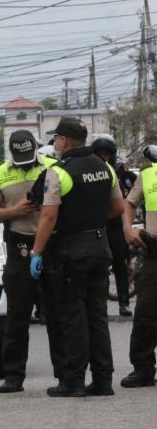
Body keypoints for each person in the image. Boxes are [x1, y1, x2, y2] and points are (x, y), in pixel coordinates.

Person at [29, 117, 128, 397]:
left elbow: (48, 216)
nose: (55, 143)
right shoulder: (105, 166)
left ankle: (72, 380)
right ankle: (102, 380)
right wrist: (93, 220)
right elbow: (118, 207)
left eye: (57, 138)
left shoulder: (59, 172)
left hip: (71, 250)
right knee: (97, 316)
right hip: (100, 246)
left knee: (73, 316)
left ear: (63, 140)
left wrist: (37, 251)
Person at [0, 131, 55, 394]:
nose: (25, 162)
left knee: (58, 313)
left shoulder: (52, 167)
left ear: (36, 148)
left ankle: (66, 372)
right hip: (19, 249)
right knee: (16, 316)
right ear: (11, 152)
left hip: (51, 247)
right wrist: (15, 211)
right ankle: (13, 375)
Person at [119, 145, 157, 388]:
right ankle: (143, 369)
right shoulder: (148, 175)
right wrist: (127, 228)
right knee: (146, 313)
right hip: (153, 252)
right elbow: (129, 204)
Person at [91, 135, 133, 318]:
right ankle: (101, 305)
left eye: (106, 153)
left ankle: (124, 302)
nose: (104, 157)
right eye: (100, 153)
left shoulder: (120, 172)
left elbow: (129, 197)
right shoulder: (90, 172)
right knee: (100, 267)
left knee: (120, 266)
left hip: (116, 226)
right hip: (98, 225)